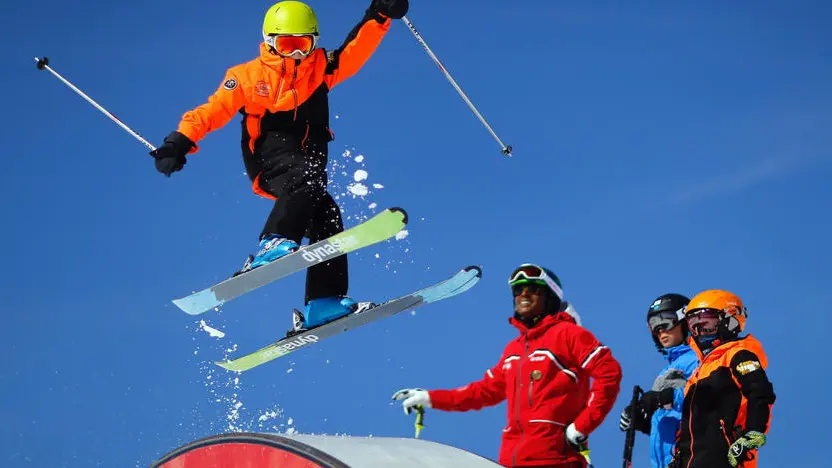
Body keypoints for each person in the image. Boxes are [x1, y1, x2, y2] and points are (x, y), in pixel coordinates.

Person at [149, 0, 409, 334]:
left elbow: (357, 48)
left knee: (327, 213)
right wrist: (178, 142)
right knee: (308, 178)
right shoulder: (246, 76)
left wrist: (380, 15)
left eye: (304, 44)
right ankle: (274, 241)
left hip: (307, 164)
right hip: (270, 158)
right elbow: (212, 110)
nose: (297, 54)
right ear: (270, 41)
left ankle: (323, 302)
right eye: (288, 45)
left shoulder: (323, 69)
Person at [392, 264, 623, 467]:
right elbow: (483, 392)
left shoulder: (569, 334)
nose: (523, 294)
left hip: (556, 460)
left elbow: (609, 373)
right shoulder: (515, 349)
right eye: (517, 289)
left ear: (549, 296)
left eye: (532, 288)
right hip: (511, 460)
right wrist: (431, 397)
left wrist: (581, 426)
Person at [669, 290, 776, 468]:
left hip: (726, 458)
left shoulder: (738, 355)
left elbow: (760, 391)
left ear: (730, 321)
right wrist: (678, 460)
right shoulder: (697, 374)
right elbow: (690, 428)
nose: (700, 332)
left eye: (707, 324)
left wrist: (752, 434)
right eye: (694, 325)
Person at [618, 293, 700, 468]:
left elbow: (702, 400)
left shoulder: (698, 359)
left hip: (692, 457)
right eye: (654, 325)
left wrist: (664, 397)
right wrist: (642, 418)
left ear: (685, 320)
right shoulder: (667, 371)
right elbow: (670, 420)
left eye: (666, 321)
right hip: (668, 461)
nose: (660, 330)